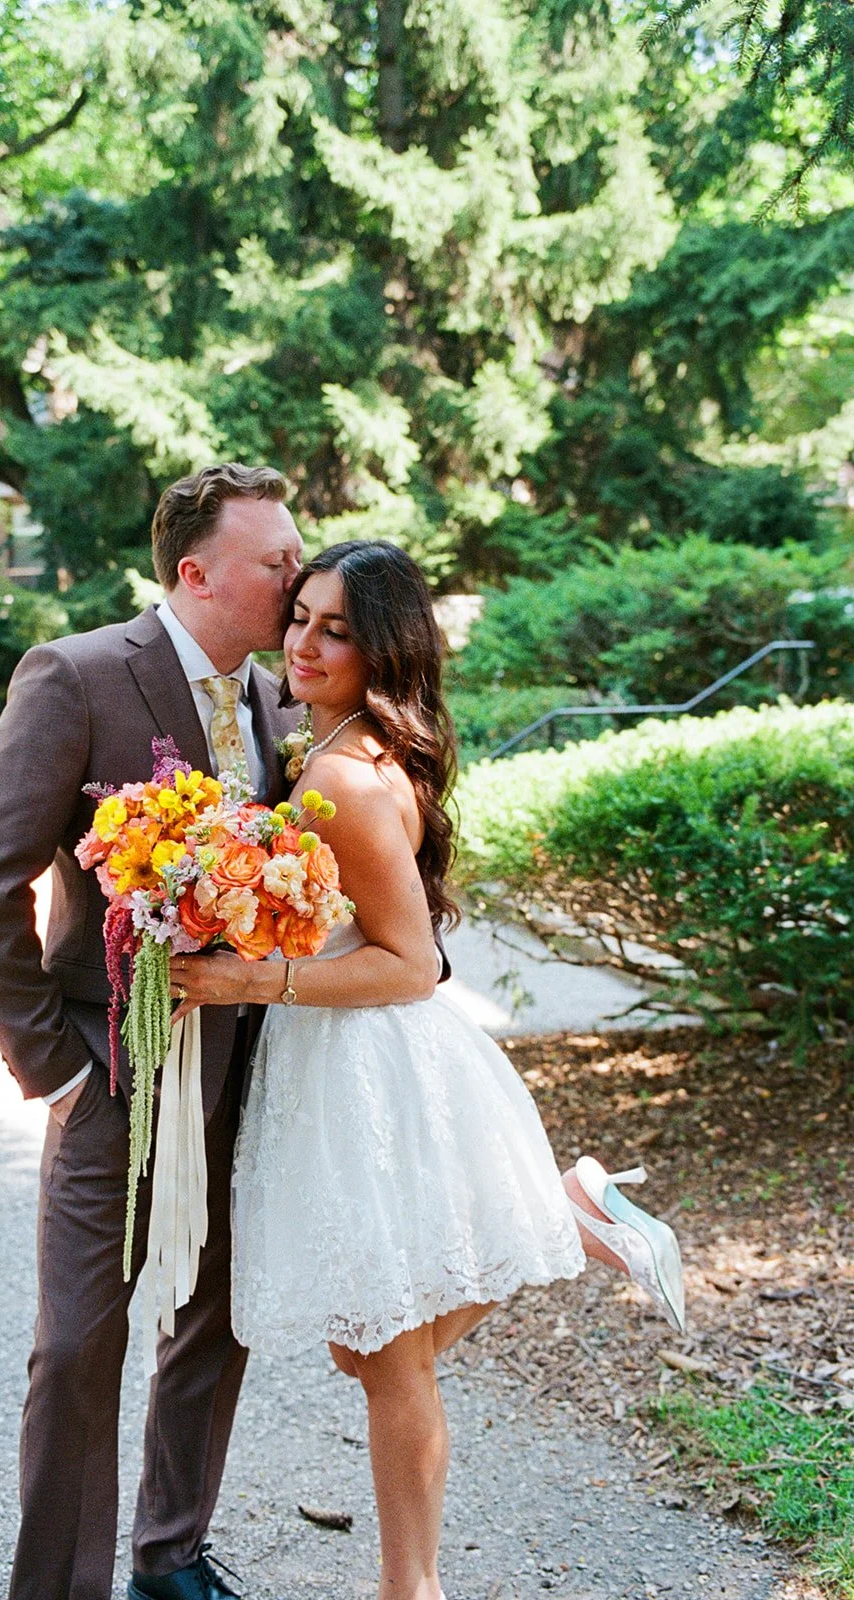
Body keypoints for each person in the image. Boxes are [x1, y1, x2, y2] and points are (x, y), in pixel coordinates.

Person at [167, 539, 685, 1600]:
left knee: (387, 1361)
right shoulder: (339, 743)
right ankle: (572, 1209)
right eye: (299, 615)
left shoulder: (344, 775)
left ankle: (411, 1589)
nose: (302, 643)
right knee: (365, 1351)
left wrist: (249, 982)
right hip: (337, 1058)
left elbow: (408, 964)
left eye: (335, 629)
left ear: (382, 648)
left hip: (375, 1071)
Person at [0, 463, 303, 1600]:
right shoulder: (80, 675)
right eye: (276, 561)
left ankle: (171, 1557)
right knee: (76, 1344)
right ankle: (55, 1588)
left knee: (215, 1321)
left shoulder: (279, 699)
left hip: (252, 1074)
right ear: (195, 572)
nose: (297, 578)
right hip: (113, 1072)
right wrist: (51, 1067)